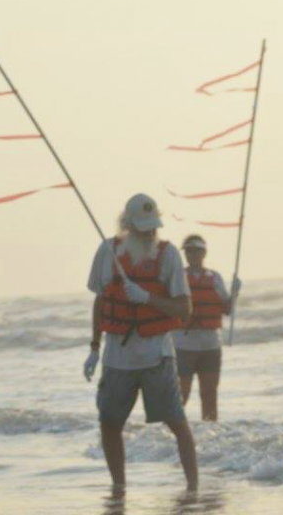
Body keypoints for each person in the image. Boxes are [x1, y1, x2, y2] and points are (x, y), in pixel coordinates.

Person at [83, 194, 198, 490]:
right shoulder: (107, 251)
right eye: (142, 228)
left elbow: (184, 310)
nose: (149, 233)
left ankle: (193, 488)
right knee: (109, 423)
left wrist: (148, 298)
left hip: (157, 357)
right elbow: (100, 301)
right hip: (116, 360)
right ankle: (118, 488)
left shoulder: (168, 254)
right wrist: (94, 348)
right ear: (128, 225)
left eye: (152, 227)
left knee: (177, 423)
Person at [173, 234, 240, 422]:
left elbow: (227, 309)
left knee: (210, 394)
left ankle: (211, 433)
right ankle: (172, 434)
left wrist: (234, 293)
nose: (192, 254)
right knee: (180, 395)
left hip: (210, 345)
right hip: (183, 345)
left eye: (196, 250)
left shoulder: (215, 277)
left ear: (204, 253)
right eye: (188, 251)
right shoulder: (178, 277)